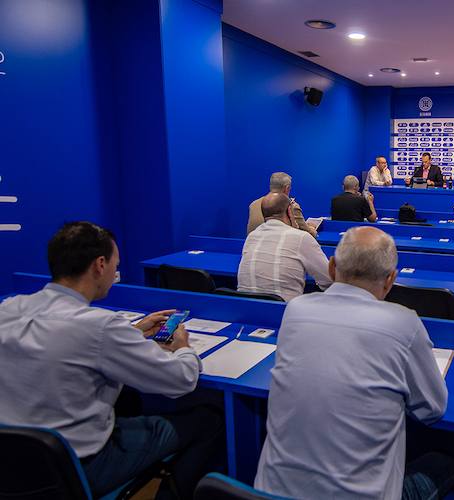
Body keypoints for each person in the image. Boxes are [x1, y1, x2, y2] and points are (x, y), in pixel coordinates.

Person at [0, 222, 222, 499]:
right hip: (82, 466)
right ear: (100, 265)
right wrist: (183, 348)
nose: (116, 273)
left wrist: (132, 332)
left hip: (13, 464)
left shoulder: (9, 308)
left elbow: (64, 344)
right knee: (209, 419)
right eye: (116, 265)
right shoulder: (99, 326)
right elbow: (181, 380)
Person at [254, 226, 454, 499]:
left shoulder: (296, 309)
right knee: (444, 464)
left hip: (268, 493)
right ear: (390, 280)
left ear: (332, 266)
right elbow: (432, 409)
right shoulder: (405, 323)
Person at [239, 193, 332, 301]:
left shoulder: (252, 236)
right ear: (289, 211)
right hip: (284, 312)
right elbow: (329, 279)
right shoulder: (301, 238)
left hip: (245, 312)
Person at [247, 172, 317, 236]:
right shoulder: (291, 206)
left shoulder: (253, 205)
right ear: (287, 188)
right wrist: (312, 228)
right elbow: (308, 234)